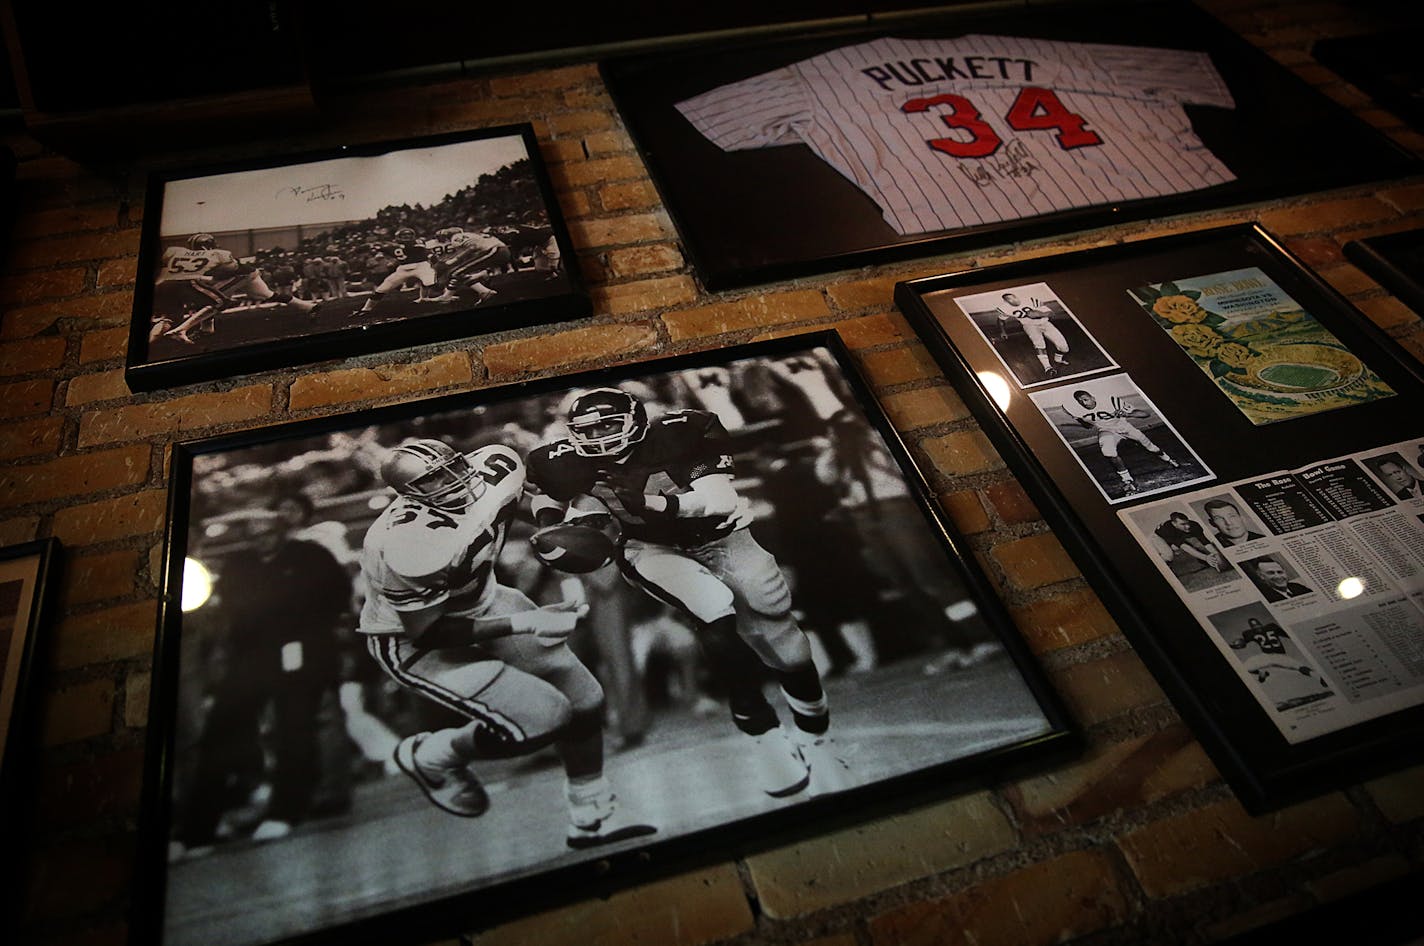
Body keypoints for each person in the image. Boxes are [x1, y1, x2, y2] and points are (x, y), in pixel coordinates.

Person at [525, 387, 846, 798]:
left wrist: (649, 503)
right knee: (713, 608)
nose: (599, 437)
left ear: (637, 420)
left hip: (724, 536)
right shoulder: (569, 462)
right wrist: (554, 524)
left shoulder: (683, 432)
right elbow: (546, 494)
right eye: (587, 430)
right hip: (651, 548)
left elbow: (716, 499)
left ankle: (815, 733)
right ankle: (764, 736)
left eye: (607, 424)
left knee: (782, 641)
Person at [356, 437, 655, 849]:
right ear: (408, 495)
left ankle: (593, 813)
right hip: (415, 641)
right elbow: (428, 631)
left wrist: (556, 523)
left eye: (452, 466)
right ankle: (435, 754)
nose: (452, 480)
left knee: (585, 699)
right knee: (544, 717)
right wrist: (523, 622)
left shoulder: (494, 466)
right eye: (432, 480)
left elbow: (524, 501)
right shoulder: (404, 545)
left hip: (485, 600)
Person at [174, 505, 353, 851]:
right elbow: (228, 608)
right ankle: (199, 826)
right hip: (253, 656)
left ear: (282, 530)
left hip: (302, 652)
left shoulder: (310, 556)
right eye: (253, 536)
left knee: (295, 731)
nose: (260, 541)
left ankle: (287, 809)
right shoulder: (241, 565)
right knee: (221, 731)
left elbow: (335, 596)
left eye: (266, 533)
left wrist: (309, 631)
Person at [151, 232, 320, 344]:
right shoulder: (218, 254)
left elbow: (226, 273)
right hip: (249, 273)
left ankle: (192, 329)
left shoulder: (183, 253)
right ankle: (310, 307)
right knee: (270, 296)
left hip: (240, 276)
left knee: (214, 299)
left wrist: (207, 278)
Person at [1068, 390, 1179, 496]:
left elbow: (1145, 414)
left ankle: (1168, 459)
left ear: (1092, 397)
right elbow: (1088, 426)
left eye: (1085, 399)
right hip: (1106, 431)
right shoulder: (1078, 411)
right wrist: (1080, 420)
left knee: (1151, 448)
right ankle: (1127, 481)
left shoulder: (1110, 401)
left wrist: (1127, 414)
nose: (1084, 403)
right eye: (1080, 401)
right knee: (1108, 452)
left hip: (1125, 428)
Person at [351, 227, 438, 314]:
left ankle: (427, 297)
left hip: (421, 266)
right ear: (398, 237)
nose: (407, 237)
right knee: (382, 289)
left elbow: (414, 248)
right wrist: (368, 246)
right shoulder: (391, 246)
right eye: (404, 235)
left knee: (429, 282)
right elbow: (365, 248)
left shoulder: (418, 242)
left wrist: (387, 245)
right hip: (403, 268)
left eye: (409, 235)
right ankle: (366, 309)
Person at [995, 291, 1070, 379]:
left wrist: (1039, 314)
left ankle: (1058, 360)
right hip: (1029, 325)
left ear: (1016, 296)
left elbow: (1051, 313)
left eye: (1013, 297)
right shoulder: (1005, 308)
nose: (1013, 301)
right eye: (1009, 300)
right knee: (1039, 344)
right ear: (1006, 302)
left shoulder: (1030, 300)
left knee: (1064, 348)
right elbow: (1000, 320)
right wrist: (1003, 331)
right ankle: (1047, 368)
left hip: (1044, 322)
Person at [1152, 512, 1225, 574]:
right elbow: (1184, 546)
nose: (1187, 526)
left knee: (1198, 545)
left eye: (1187, 523)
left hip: (1176, 537)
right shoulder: (1168, 528)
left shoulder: (1194, 525)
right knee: (1169, 555)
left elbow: (1205, 541)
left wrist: (1216, 554)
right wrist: (1205, 558)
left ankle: (1206, 562)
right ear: (1174, 524)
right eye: (1183, 524)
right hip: (1159, 537)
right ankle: (1163, 569)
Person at [1247, 557, 1313, 602]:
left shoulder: (1297, 586)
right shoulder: (1266, 597)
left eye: (1280, 572)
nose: (1278, 576)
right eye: (1271, 573)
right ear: (1262, 576)